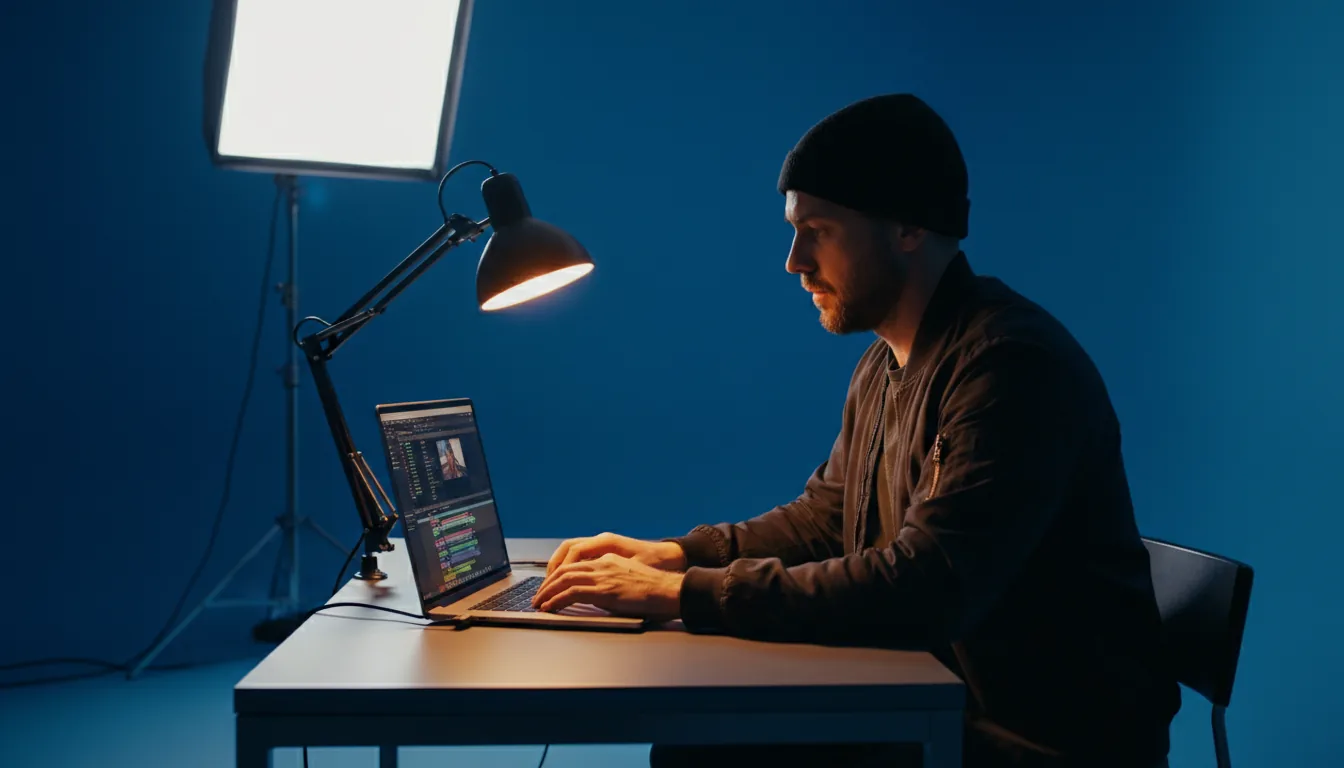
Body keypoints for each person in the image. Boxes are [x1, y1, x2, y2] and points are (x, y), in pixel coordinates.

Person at [531, 93, 1181, 767]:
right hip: (938, 705)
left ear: (907, 228)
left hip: (1035, 742)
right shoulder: (886, 361)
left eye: (820, 230)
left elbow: (925, 588)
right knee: (704, 744)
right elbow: (826, 518)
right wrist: (677, 556)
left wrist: (687, 596)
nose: (794, 260)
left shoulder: (1010, 365)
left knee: (708, 753)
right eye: (794, 229)